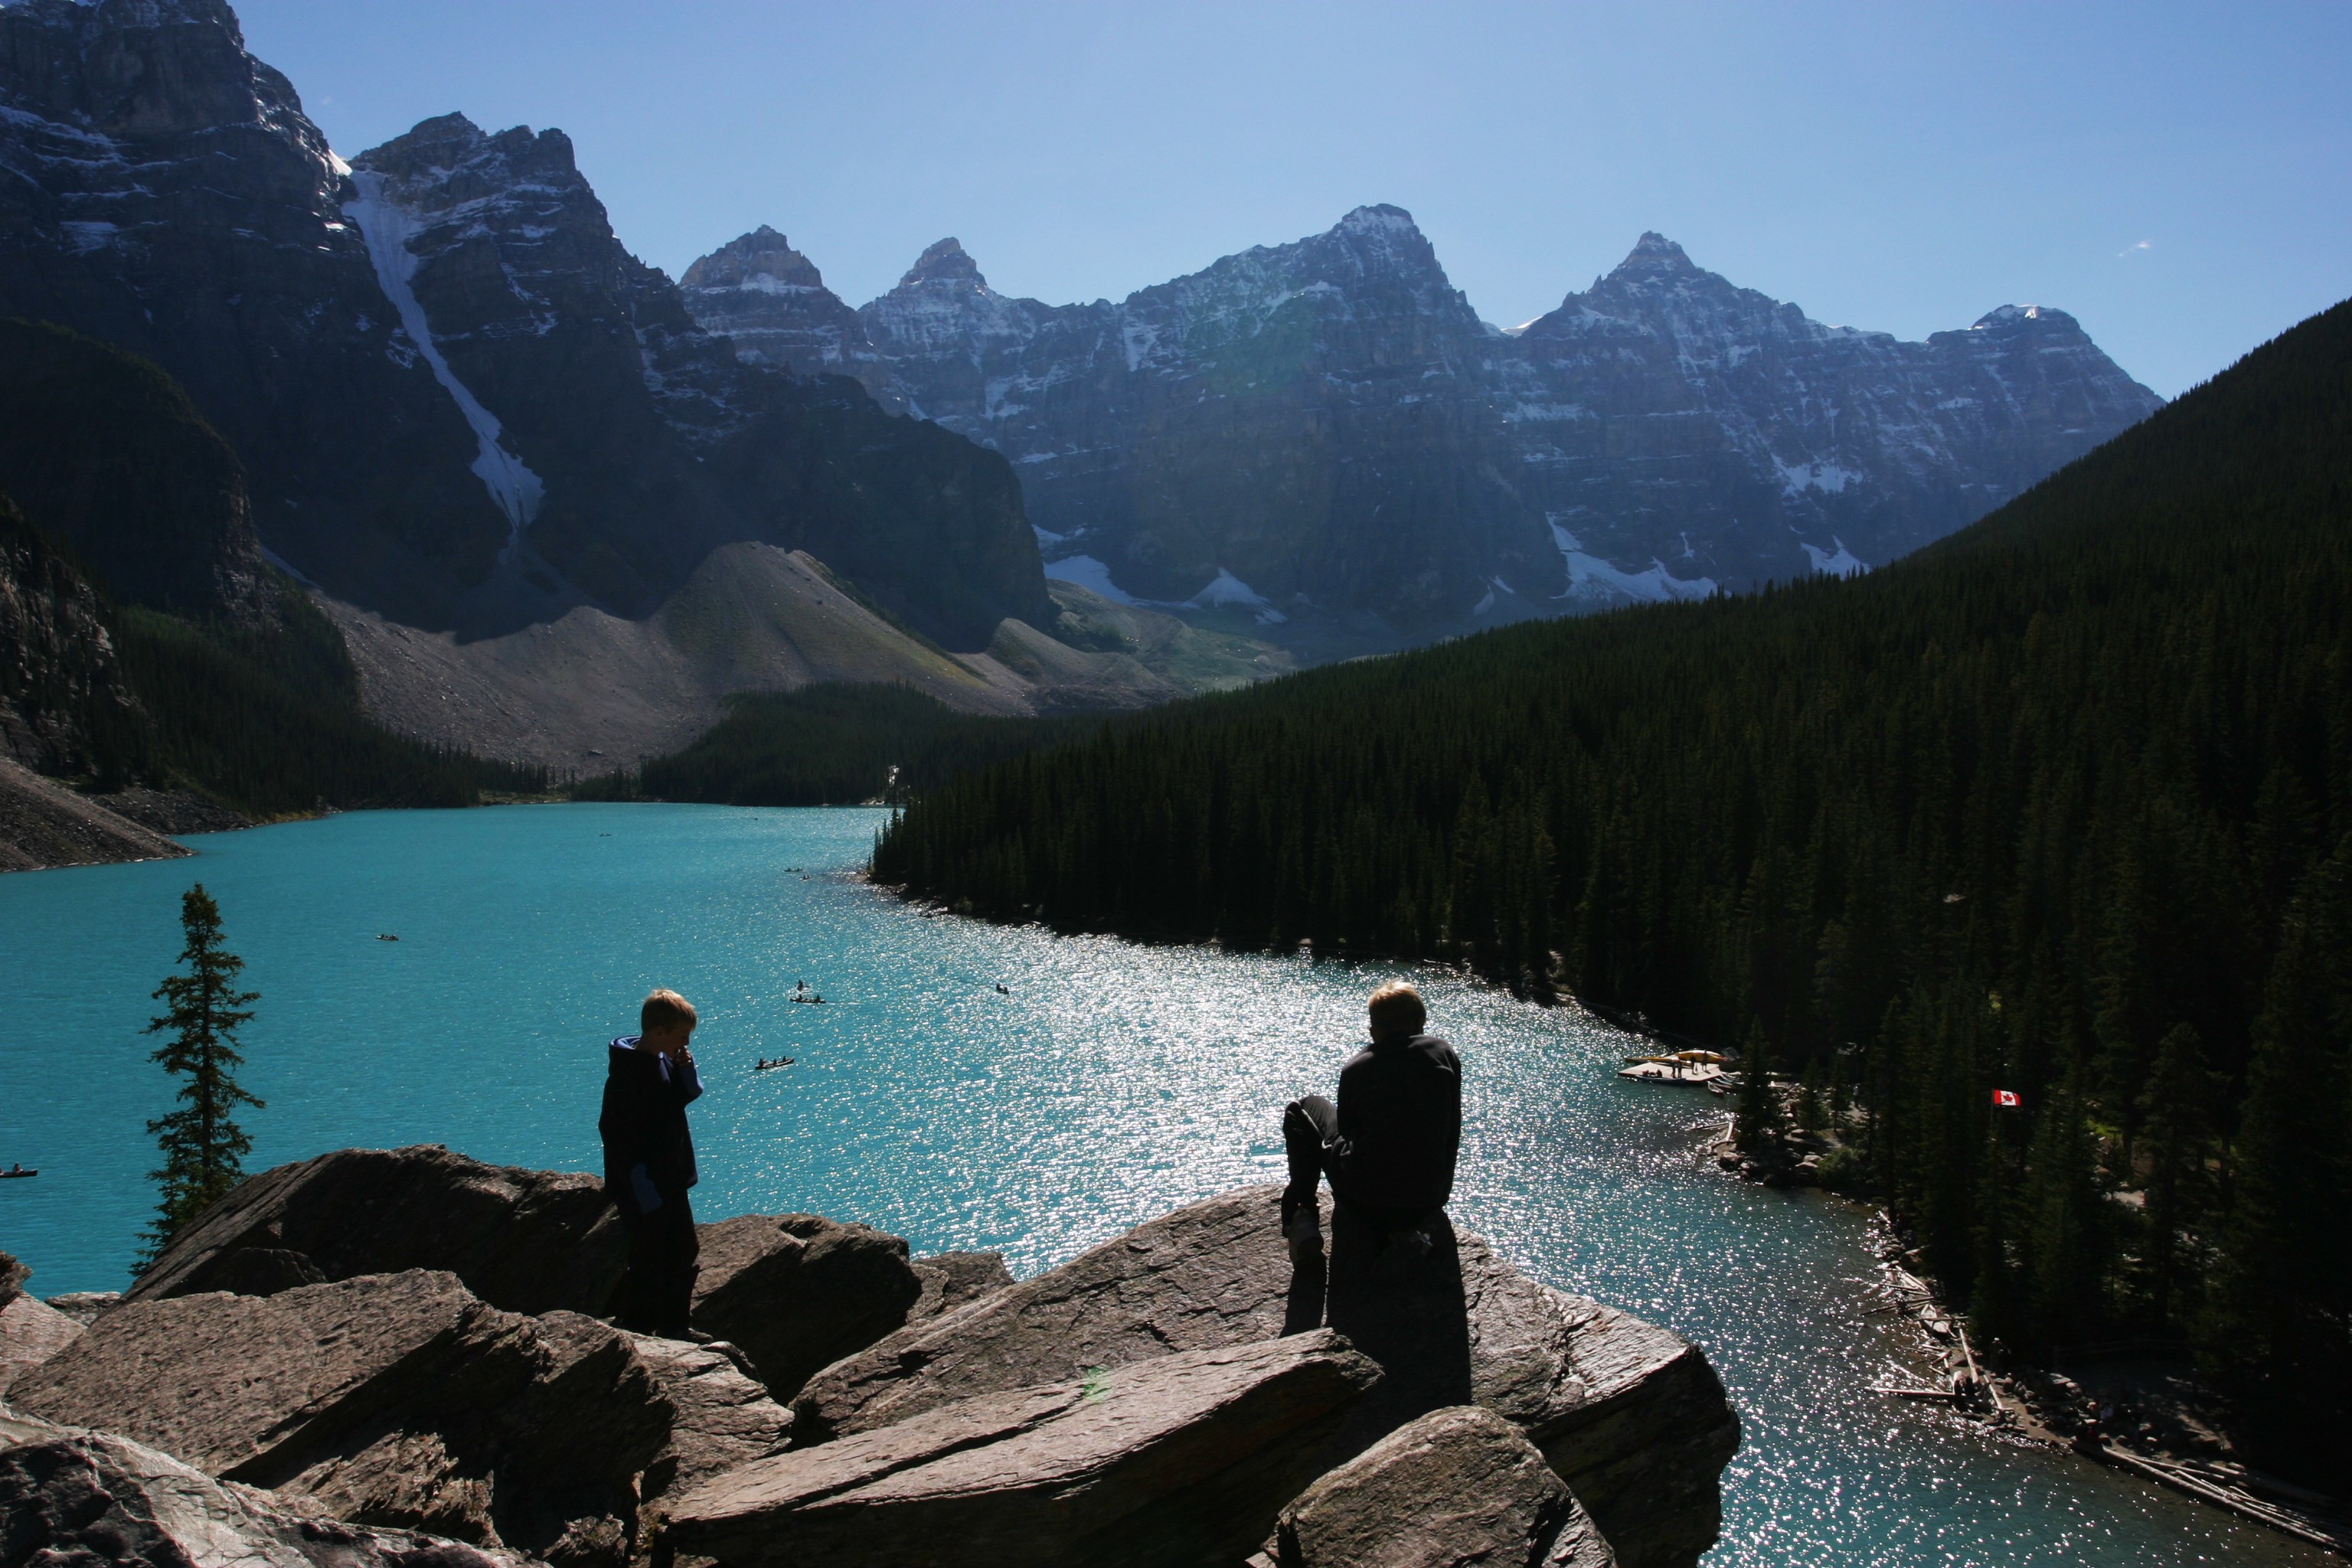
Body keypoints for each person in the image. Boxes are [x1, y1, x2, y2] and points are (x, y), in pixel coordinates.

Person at [1281, 981, 1461, 1272]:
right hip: (1425, 1204)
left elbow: (1349, 1131)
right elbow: (1452, 1130)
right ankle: (1405, 1232)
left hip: (1361, 1202)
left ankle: (1302, 1219)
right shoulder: (1443, 1054)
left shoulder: (1358, 1067)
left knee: (1302, 1108)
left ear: (1373, 1031)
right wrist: (1437, 1197)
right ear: (1421, 1023)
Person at [599, 988, 707, 1338]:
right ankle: (639, 1322)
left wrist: (686, 1071)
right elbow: (616, 1135)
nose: (686, 1042)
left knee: (683, 1249)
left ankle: (676, 1324)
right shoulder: (628, 1075)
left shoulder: (663, 1060)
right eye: (681, 1036)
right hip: (645, 1185)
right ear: (659, 1032)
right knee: (649, 1254)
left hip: (671, 1178)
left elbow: (683, 1097)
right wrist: (641, 1186)